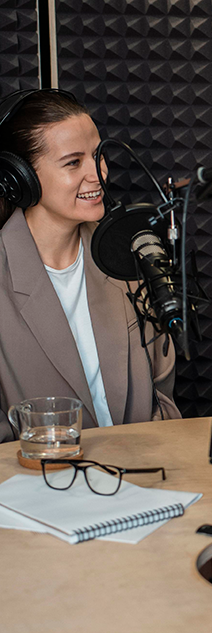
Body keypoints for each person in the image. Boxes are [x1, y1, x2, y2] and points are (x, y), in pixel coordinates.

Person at [0, 88, 180, 443]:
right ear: (21, 177)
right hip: (40, 474)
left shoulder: (130, 255)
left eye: (98, 155)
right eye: (73, 162)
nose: (98, 174)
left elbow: (162, 397)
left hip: (138, 467)